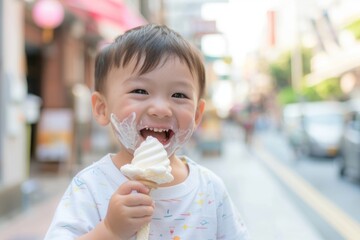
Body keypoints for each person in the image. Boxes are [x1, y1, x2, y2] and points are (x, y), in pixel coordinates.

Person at [45, 24, 250, 240]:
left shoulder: (210, 189)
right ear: (102, 108)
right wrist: (109, 231)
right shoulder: (89, 187)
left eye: (179, 95)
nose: (161, 109)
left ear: (197, 115)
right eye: (140, 91)